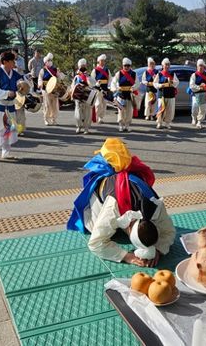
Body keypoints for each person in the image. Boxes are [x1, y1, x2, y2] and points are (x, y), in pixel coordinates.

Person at [67, 138, 176, 267]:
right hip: (102, 202)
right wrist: (127, 256)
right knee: (97, 228)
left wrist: (158, 249)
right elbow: (95, 243)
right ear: (128, 227)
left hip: (126, 194)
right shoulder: (113, 208)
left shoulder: (156, 205)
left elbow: (169, 231)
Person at [0, 51, 24, 163]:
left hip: (10, 105)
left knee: (9, 129)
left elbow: (21, 84)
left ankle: (5, 152)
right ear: (5, 62)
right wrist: (7, 93)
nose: (14, 63)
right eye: (12, 61)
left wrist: (25, 84)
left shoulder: (15, 73)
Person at [110, 57, 139, 132]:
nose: (126, 67)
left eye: (128, 66)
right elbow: (113, 82)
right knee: (121, 111)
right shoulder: (119, 73)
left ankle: (127, 125)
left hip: (129, 95)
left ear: (130, 66)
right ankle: (120, 125)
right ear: (123, 66)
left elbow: (137, 83)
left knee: (129, 111)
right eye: (125, 66)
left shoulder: (134, 74)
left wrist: (133, 88)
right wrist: (116, 88)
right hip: (121, 94)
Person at [37, 53, 64, 126]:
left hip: (55, 89)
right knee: (47, 105)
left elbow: (60, 77)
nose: (50, 62)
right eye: (48, 60)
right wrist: (40, 84)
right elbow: (40, 78)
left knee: (55, 105)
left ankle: (54, 119)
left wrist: (60, 73)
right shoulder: (43, 70)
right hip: (46, 89)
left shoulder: (55, 69)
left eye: (50, 60)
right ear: (45, 62)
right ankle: (46, 119)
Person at [153, 58, 178, 129]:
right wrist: (161, 85)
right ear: (162, 65)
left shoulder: (172, 74)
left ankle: (167, 123)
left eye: (168, 65)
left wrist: (172, 82)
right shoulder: (159, 74)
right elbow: (155, 83)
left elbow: (177, 82)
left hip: (171, 95)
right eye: (166, 65)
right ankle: (159, 122)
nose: (167, 66)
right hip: (162, 95)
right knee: (161, 109)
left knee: (170, 110)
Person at [189, 59, 206, 129]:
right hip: (196, 94)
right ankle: (194, 118)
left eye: (202, 66)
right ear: (197, 66)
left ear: (204, 67)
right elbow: (191, 85)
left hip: (204, 94)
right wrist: (200, 87)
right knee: (195, 108)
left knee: (203, 109)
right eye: (199, 65)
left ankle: (199, 122)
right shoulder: (194, 75)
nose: (201, 67)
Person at [72, 58, 95, 134]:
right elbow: (73, 86)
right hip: (78, 97)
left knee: (87, 113)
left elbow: (93, 84)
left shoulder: (89, 76)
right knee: (78, 113)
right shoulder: (76, 77)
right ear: (79, 67)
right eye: (81, 66)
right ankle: (78, 126)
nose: (83, 67)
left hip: (87, 96)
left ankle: (86, 128)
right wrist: (72, 95)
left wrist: (88, 77)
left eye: (84, 66)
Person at [92, 54, 111, 124]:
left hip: (105, 88)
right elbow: (92, 79)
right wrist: (96, 84)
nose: (103, 62)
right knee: (98, 104)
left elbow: (110, 79)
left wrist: (109, 86)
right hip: (98, 89)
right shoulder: (95, 70)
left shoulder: (107, 70)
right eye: (101, 61)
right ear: (98, 61)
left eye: (104, 61)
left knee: (104, 103)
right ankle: (96, 117)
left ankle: (101, 117)